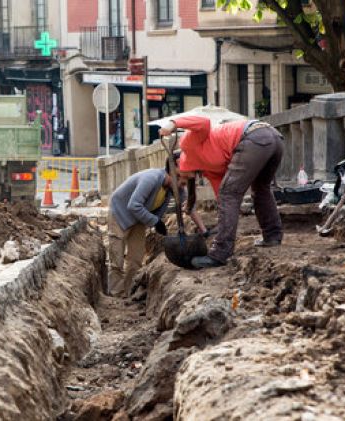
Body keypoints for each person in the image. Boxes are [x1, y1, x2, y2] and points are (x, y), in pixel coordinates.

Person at [159, 116, 284, 269]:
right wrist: (220, 225)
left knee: (231, 194)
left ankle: (220, 253)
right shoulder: (210, 170)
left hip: (254, 139)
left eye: (178, 175)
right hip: (272, 139)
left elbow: (203, 122)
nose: (181, 180)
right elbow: (223, 201)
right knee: (260, 188)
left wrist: (173, 124)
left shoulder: (188, 144)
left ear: (178, 162)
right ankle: (272, 236)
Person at [107, 155, 186, 297]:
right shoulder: (151, 179)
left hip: (139, 218)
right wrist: (155, 222)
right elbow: (133, 205)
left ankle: (129, 292)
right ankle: (116, 294)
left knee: (136, 257)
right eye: (183, 182)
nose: (183, 187)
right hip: (120, 212)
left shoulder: (171, 187)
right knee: (117, 257)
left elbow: (187, 203)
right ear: (174, 174)